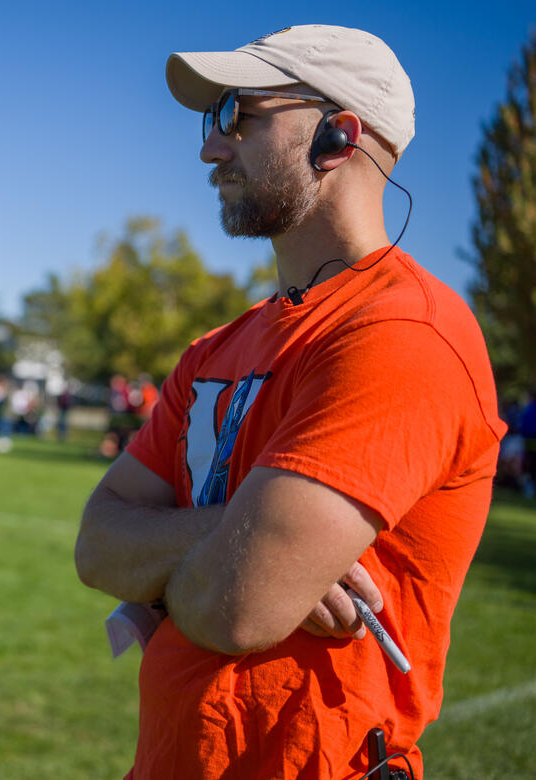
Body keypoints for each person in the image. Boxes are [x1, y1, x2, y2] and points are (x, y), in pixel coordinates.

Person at [73, 25, 505, 780]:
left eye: (239, 114)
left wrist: (208, 560)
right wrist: (234, 534)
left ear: (340, 135)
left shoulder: (405, 335)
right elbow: (97, 544)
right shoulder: (217, 348)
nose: (211, 149)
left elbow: (233, 608)